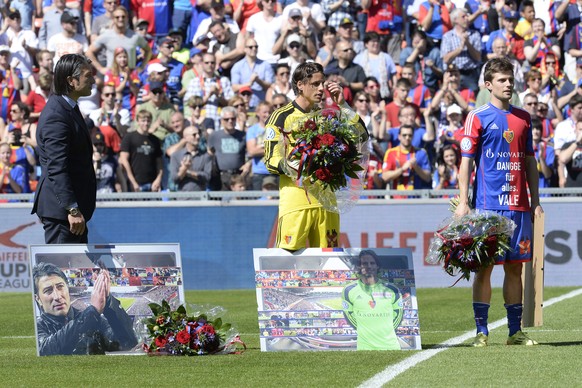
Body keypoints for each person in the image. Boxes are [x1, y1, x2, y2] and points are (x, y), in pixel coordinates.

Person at [455, 57, 543, 347]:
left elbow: (529, 160)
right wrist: (463, 201)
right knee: (484, 267)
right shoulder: (477, 116)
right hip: (488, 206)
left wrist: (536, 200)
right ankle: (481, 332)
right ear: (488, 85)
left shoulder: (523, 118)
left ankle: (514, 332)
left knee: (516, 267)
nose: (509, 84)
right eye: (502, 80)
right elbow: (466, 162)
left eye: (510, 79)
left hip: (518, 205)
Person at [263, 62, 366, 250]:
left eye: (323, 83)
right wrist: (299, 165)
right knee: (288, 264)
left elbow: (362, 136)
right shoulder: (281, 116)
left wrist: (342, 104)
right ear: (300, 84)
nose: (321, 89)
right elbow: (271, 160)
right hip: (297, 203)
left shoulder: (328, 116)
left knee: (330, 263)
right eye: (315, 84)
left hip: (327, 204)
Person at [32, 54, 97, 244]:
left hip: (71, 214)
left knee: (76, 272)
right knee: (58, 272)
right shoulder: (56, 115)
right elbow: (56, 167)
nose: (93, 80)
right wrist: (72, 208)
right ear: (71, 80)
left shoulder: (67, 108)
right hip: (64, 215)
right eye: (87, 75)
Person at [33, 262, 137, 355]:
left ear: (68, 288)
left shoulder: (94, 320)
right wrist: (92, 311)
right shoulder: (37, 327)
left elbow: (127, 343)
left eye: (60, 287)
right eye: (48, 290)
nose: (57, 296)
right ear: (37, 299)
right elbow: (47, 351)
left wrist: (108, 302)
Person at [342, 250, 403, 350]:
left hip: (390, 346)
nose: (368, 266)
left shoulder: (392, 289)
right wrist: (366, 332)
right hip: (364, 348)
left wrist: (385, 332)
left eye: (372, 263)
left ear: (377, 266)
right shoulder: (348, 290)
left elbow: (398, 316)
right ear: (359, 267)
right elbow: (349, 317)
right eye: (365, 263)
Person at [119, 110, 163, 192]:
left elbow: (159, 163)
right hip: (136, 183)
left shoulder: (155, 140)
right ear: (138, 121)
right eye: (143, 121)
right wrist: (133, 182)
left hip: (152, 184)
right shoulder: (129, 138)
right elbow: (124, 160)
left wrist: (158, 179)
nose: (146, 123)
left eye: (148, 121)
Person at [169, 126, 213, 191]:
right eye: (194, 135)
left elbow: (207, 177)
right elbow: (174, 179)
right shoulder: (176, 156)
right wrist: (184, 170)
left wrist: (187, 172)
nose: (198, 137)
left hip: (200, 198)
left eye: (199, 134)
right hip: (183, 198)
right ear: (186, 138)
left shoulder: (205, 156)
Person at [558, 120, 582, 187]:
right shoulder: (568, 145)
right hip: (572, 188)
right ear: (575, 131)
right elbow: (563, 159)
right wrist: (577, 142)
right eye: (580, 129)